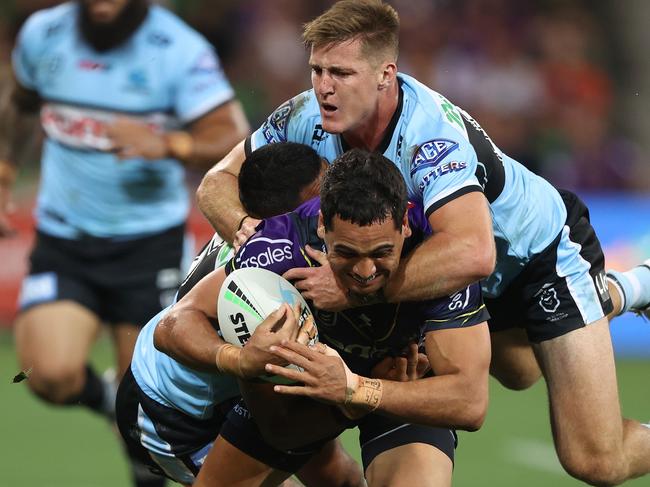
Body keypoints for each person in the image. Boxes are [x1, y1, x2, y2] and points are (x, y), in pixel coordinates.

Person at [195, 1, 650, 485]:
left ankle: (614, 291)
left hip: (538, 259)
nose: (324, 87)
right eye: (317, 70)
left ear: (385, 75)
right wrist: (252, 239)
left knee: (595, 459)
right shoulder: (305, 115)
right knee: (518, 371)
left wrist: (353, 289)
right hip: (467, 280)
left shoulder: (429, 136)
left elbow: (474, 253)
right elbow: (215, 184)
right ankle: (615, 294)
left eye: (341, 73)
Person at [3, 1, 249, 486]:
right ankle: (112, 401)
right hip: (64, 238)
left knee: (147, 417)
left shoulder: (178, 48)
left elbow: (232, 136)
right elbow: (21, 101)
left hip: (148, 247)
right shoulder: (43, 33)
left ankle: (131, 417)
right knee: (48, 375)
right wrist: (7, 168)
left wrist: (171, 144)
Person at [156, 149, 491, 487]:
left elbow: (470, 402)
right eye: (345, 253)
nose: (364, 272)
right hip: (309, 396)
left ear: (404, 225)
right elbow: (174, 324)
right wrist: (239, 360)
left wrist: (359, 389)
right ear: (321, 225)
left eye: (382, 253)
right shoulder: (279, 244)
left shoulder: (438, 255)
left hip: (403, 384)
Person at [116, 142, 364, 487]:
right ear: (285, 218)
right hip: (172, 414)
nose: (333, 203)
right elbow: (174, 327)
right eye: (318, 200)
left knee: (339, 477)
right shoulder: (261, 279)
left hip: (231, 391)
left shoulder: (272, 240)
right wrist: (238, 360)